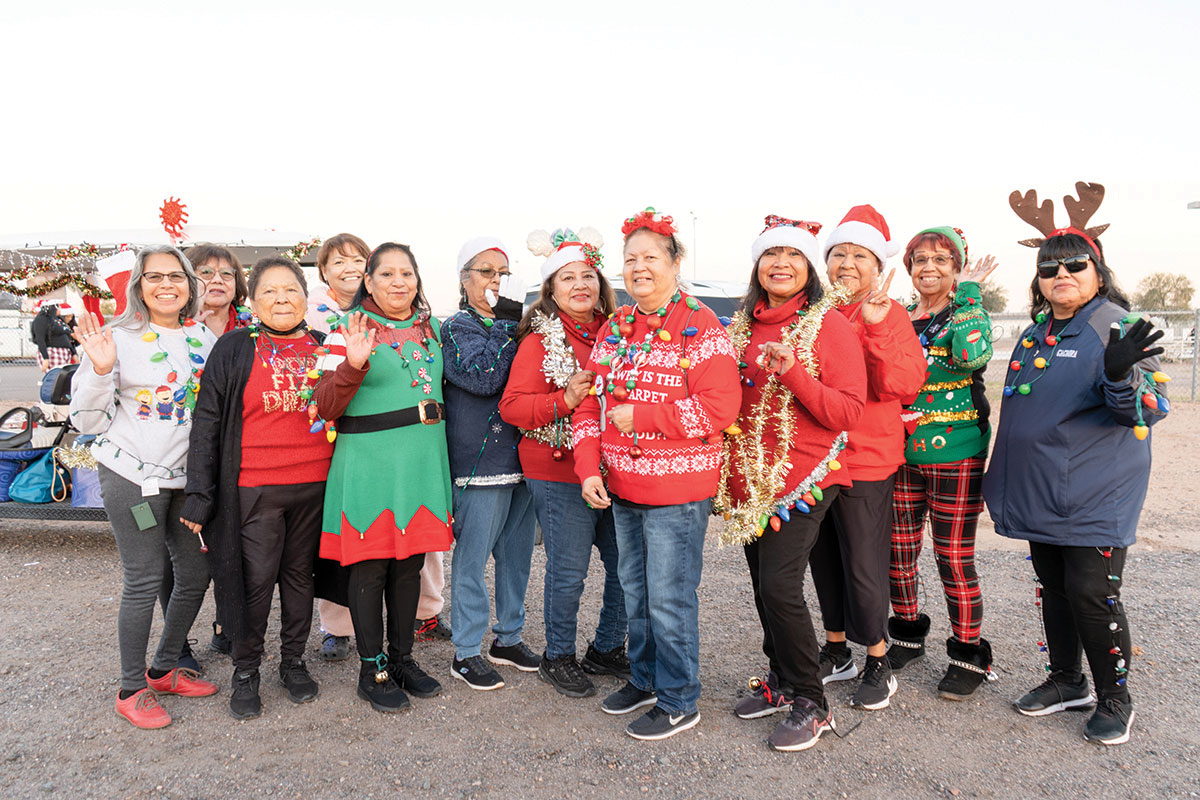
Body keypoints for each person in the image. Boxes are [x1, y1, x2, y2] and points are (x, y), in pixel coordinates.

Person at [985, 182, 1167, 746]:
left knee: (1093, 593)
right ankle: (1066, 680)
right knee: (1054, 587)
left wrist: (1118, 374)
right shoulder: (1039, 329)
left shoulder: (1117, 328)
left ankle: (1116, 696)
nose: (1061, 273)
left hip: (1093, 493)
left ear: (1099, 272)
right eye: (1049, 267)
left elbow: (1146, 409)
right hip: (1044, 492)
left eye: (1076, 265)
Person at [574, 208, 740, 741]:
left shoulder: (699, 324)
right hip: (622, 486)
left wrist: (645, 416)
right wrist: (587, 467)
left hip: (677, 490)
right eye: (630, 260)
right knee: (636, 591)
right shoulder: (617, 328)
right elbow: (586, 405)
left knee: (669, 597)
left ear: (674, 262)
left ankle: (678, 699)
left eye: (650, 258)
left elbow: (721, 408)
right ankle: (645, 680)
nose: (639, 268)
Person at [716, 215, 866, 752]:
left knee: (781, 587)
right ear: (757, 265)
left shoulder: (829, 326)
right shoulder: (739, 326)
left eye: (795, 255)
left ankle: (811, 700)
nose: (781, 264)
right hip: (748, 483)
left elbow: (848, 409)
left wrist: (795, 373)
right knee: (763, 587)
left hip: (805, 477)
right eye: (772, 254)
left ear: (809, 268)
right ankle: (780, 680)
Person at [68, 245, 219, 729]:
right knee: (145, 578)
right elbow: (85, 419)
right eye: (155, 277)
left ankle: (164, 667)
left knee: (196, 574)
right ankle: (131, 688)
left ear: (190, 284)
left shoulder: (204, 337)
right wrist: (97, 370)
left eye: (176, 276)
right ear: (139, 285)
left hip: (184, 480)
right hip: (133, 477)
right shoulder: (117, 337)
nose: (167, 285)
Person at [180, 256, 334, 719]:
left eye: (291, 289)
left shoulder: (329, 346)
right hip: (254, 487)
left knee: (300, 579)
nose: (281, 298)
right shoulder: (232, 348)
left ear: (307, 297)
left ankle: (293, 662)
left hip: (315, 484)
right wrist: (199, 492)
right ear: (251, 300)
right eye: (269, 291)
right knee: (254, 584)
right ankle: (245, 670)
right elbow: (207, 422)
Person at [312, 242, 451, 713]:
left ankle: (403, 658)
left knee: (410, 563)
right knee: (371, 567)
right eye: (386, 274)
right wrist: (353, 363)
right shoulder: (344, 330)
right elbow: (324, 406)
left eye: (406, 273)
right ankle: (372, 669)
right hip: (369, 461)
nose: (398, 282)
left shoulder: (430, 328)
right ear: (367, 282)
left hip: (420, 461)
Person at [498, 227, 628, 699]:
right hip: (557, 468)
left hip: (614, 467)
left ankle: (608, 648)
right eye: (567, 277)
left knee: (625, 564)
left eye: (588, 275)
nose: (580, 285)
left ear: (601, 283)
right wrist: (563, 399)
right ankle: (558, 655)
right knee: (569, 568)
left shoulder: (620, 333)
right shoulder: (540, 340)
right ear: (551, 288)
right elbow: (512, 407)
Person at [810, 205, 926, 711]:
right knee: (824, 561)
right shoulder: (816, 314)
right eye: (839, 254)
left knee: (862, 563)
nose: (847, 264)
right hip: (816, 460)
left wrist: (877, 330)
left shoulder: (888, 313)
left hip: (866, 459)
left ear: (878, 266)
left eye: (860, 255)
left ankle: (878, 658)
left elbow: (903, 385)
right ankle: (837, 649)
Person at [887, 228, 999, 700]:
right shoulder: (902, 317)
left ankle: (968, 653)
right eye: (920, 260)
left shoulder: (968, 313)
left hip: (957, 454)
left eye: (941, 260)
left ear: (956, 268)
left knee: (953, 558)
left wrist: (971, 292)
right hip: (903, 453)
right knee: (897, 551)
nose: (928, 267)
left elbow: (972, 354)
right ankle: (908, 635)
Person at [442, 237, 538, 690]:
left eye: (503, 272)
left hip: (524, 457)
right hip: (480, 461)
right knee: (473, 558)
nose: (496, 280)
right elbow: (481, 378)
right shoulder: (457, 327)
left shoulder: (517, 325)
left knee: (517, 557)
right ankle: (465, 650)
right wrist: (506, 322)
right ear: (464, 279)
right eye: (485, 271)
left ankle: (509, 637)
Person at [188, 244, 249, 337]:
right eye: (206, 272)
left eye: (226, 273)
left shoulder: (253, 326)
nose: (218, 280)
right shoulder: (172, 325)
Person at [30, 301, 78, 372]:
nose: (60, 309)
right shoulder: (41, 320)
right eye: (57, 306)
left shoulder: (58, 320)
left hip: (65, 353)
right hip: (53, 352)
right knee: (55, 376)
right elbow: (40, 339)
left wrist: (74, 354)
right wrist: (46, 358)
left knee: (62, 379)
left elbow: (66, 337)